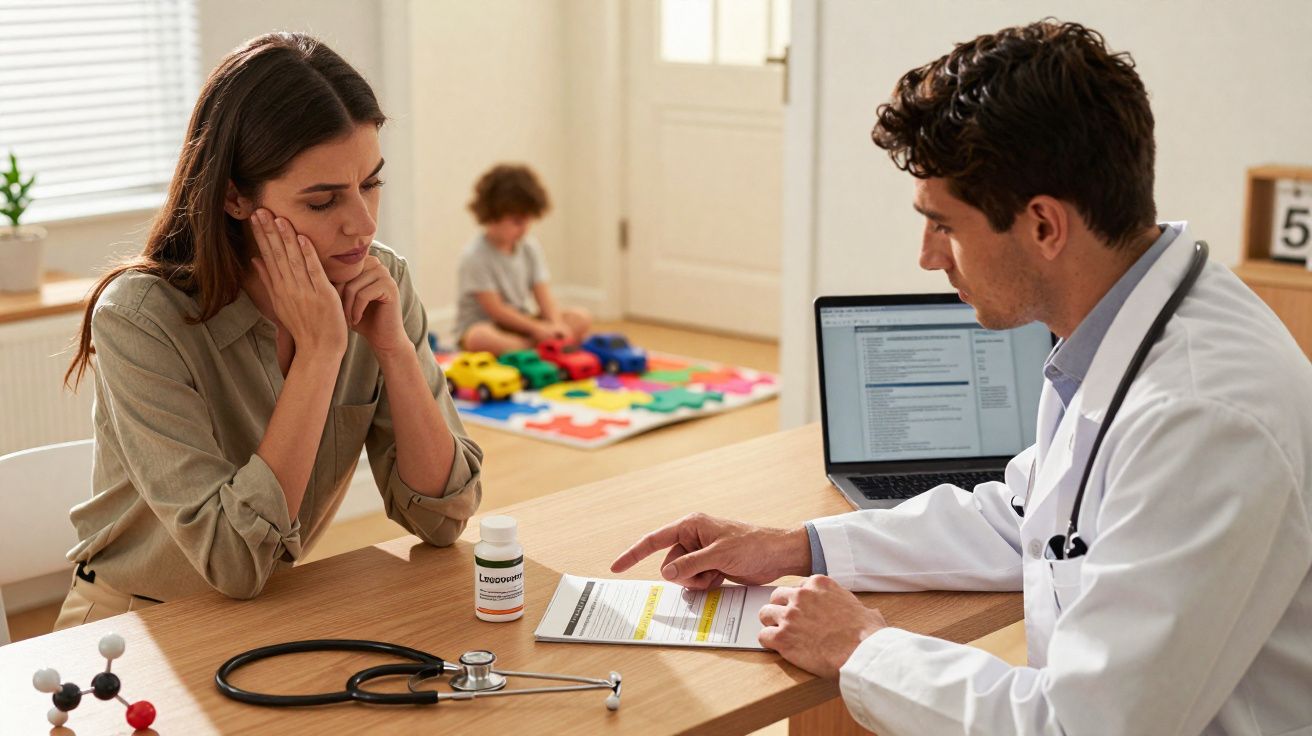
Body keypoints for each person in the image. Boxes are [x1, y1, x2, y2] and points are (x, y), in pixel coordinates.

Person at [612, 20, 1312, 735]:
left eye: (942, 225)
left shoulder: (1203, 416)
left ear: (1044, 226)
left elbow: (1082, 727)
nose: (926, 256)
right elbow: (1024, 516)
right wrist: (797, 546)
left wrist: (860, 646)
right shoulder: (1120, 324)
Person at [55, 33, 483, 627]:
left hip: (268, 615)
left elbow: (444, 518)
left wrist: (392, 350)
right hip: (130, 629)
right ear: (233, 196)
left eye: (371, 184)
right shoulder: (140, 319)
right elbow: (233, 560)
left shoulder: (378, 283)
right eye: (322, 201)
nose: (361, 223)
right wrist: (320, 352)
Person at [454, 164, 591, 354]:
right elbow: (496, 310)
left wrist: (556, 325)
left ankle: (537, 347)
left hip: (521, 324)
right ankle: (536, 349)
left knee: (580, 316)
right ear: (492, 216)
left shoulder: (529, 248)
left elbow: (543, 294)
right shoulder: (475, 256)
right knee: (479, 337)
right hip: (489, 326)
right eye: (517, 222)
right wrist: (537, 329)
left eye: (528, 221)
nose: (525, 229)